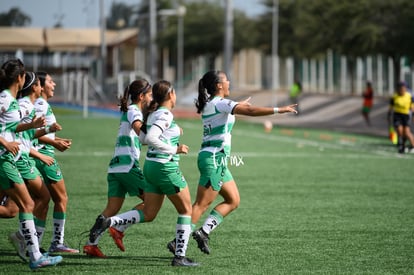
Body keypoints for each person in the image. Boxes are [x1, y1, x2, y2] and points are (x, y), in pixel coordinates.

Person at [167, 70, 297, 256]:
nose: (229, 82)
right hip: (214, 159)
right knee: (201, 205)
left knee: (233, 200)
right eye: (226, 80)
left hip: (215, 159)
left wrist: (238, 105)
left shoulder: (214, 103)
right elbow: (250, 111)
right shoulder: (221, 103)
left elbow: (228, 110)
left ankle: (203, 232)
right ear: (219, 85)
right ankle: (178, 241)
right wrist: (279, 110)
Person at [91, 80, 199, 267]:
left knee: (149, 213)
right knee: (186, 210)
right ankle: (179, 257)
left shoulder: (154, 114)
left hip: (150, 167)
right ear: (170, 95)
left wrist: (173, 130)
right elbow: (150, 137)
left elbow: (143, 137)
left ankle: (110, 222)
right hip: (165, 168)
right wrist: (175, 149)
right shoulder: (164, 114)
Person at [0, 59, 62, 270]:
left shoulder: (12, 100)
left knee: (14, 208)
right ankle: (35, 255)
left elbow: (11, 127)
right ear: (20, 77)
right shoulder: (5, 98)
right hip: (4, 159)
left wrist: (34, 126)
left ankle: (34, 253)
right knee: (25, 205)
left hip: (11, 159)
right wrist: (5, 143)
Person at [83, 79, 152, 258]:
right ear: (142, 96)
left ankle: (91, 245)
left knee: (111, 208)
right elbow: (139, 129)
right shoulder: (134, 110)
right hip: (128, 166)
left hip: (115, 168)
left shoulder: (129, 111)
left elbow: (136, 137)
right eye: (150, 94)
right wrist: (161, 132)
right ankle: (119, 227)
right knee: (152, 201)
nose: (151, 98)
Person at [33, 71, 79, 253]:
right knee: (61, 198)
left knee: (42, 200)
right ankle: (56, 242)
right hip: (43, 157)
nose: (55, 85)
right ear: (40, 86)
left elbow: (41, 132)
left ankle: (34, 243)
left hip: (40, 154)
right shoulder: (40, 104)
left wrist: (56, 139)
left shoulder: (41, 104)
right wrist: (53, 143)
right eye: (51, 82)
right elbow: (32, 134)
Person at [388, 81, 414, 153]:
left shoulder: (409, 96)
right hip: (397, 115)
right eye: (401, 88)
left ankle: (412, 145)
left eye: (404, 88)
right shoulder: (394, 96)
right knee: (400, 131)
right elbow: (391, 107)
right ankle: (402, 146)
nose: (402, 90)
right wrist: (389, 114)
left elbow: (412, 107)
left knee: (407, 132)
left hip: (406, 116)